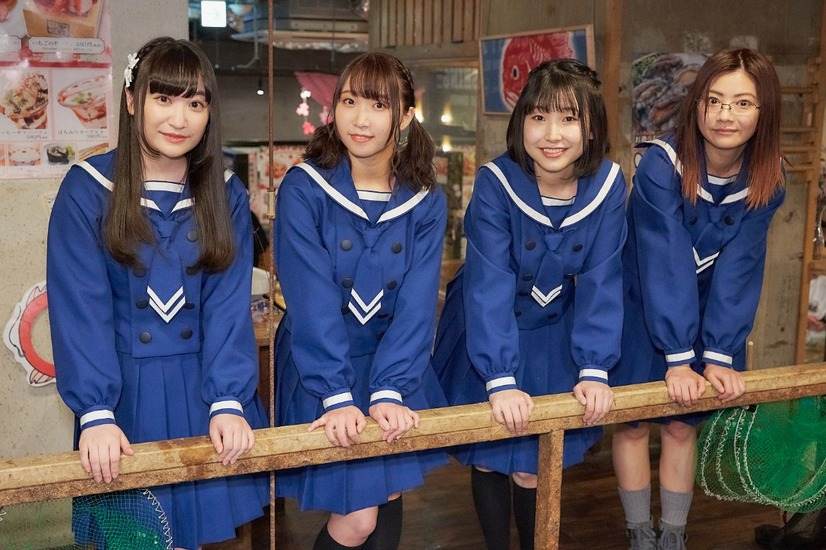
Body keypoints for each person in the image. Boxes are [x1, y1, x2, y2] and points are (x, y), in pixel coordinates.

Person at [47, 37, 268, 549]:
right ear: (132, 100)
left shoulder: (225, 193)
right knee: (134, 540)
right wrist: (96, 413)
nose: (179, 119)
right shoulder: (88, 188)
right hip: (123, 401)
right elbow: (80, 308)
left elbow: (227, 307)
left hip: (204, 394)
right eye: (163, 98)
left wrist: (229, 400)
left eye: (195, 103)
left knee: (199, 538)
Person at [432, 59, 627, 550]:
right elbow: (489, 281)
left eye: (569, 118)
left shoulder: (608, 185)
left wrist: (594, 368)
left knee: (535, 466)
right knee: (489, 454)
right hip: (488, 327)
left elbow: (603, 278)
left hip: (556, 329)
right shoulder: (496, 182)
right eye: (539, 117)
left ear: (592, 128)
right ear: (521, 123)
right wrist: (499, 377)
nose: (552, 134)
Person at [612, 48, 785, 550]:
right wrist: (678, 356)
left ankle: (673, 537)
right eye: (715, 100)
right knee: (631, 423)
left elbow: (741, 268)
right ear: (698, 105)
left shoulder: (768, 177)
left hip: (706, 311)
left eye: (742, 103)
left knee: (681, 426)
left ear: (764, 111)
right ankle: (639, 534)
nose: (726, 115)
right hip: (640, 305)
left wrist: (718, 353)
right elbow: (663, 258)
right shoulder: (661, 165)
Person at [273, 51, 448, 550]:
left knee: (387, 494)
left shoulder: (425, 198)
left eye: (378, 105)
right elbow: (310, 299)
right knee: (357, 520)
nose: (360, 119)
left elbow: (418, 302)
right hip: (322, 364)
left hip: (393, 362)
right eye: (350, 102)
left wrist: (391, 388)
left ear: (405, 117)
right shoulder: (305, 188)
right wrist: (336, 393)